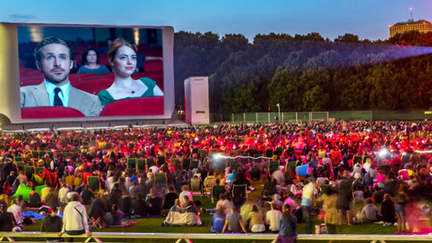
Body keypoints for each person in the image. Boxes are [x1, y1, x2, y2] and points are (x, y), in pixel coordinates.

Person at [20, 36, 102, 116]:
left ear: (71, 64)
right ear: (39, 65)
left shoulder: (92, 101)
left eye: (62, 57)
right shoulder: (22, 96)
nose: (57, 64)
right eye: (50, 57)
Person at [97, 38, 163, 106]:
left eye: (133, 57)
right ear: (111, 61)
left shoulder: (148, 83)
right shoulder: (105, 96)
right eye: (123, 57)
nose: (130, 62)